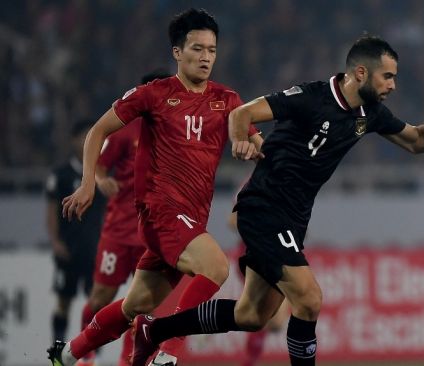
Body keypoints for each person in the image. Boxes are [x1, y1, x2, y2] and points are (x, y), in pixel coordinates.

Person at [130, 35, 424, 366]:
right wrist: (239, 142)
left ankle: (154, 330)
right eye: (388, 76)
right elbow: (240, 115)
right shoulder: (310, 96)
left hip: (293, 218)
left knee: (251, 315)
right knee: (309, 299)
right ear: (361, 73)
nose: (393, 85)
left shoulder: (372, 113)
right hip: (264, 206)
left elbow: (417, 141)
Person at [47, 8, 262, 366]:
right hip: (160, 212)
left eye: (212, 49)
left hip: (192, 220)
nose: (206, 57)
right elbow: (98, 131)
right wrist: (89, 183)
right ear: (177, 52)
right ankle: (168, 353)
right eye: (197, 48)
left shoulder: (227, 100)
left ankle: (68, 354)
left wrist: (248, 145)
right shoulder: (154, 94)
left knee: (136, 305)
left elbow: (255, 142)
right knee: (217, 268)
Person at [76, 70, 171, 366]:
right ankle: (85, 354)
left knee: (140, 303)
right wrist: (100, 180)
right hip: (118, 229)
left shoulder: (175, 130)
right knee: (102, 295)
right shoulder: (125, 129)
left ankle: (127, 360)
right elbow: (101, 165)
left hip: (152, 232)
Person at [45, 120, 105, 344]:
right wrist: (55, 242)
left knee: (96, 302)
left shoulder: (103, 172)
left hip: (95, 249)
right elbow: (51, 211)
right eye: (84, 136)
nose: (87, 140)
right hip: (69, 249)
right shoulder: (61, 174)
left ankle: (90, 353)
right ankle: (57, 351)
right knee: (63, 301)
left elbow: (111, 209)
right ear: (74, 140)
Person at [227, 186, 291, 366]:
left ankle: (209, 322)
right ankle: (207, 322)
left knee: (270, 321)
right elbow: (232, 221)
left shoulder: (287, 178)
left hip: (278, 254)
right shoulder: (250, 185)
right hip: (253, 256)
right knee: (264, 316)